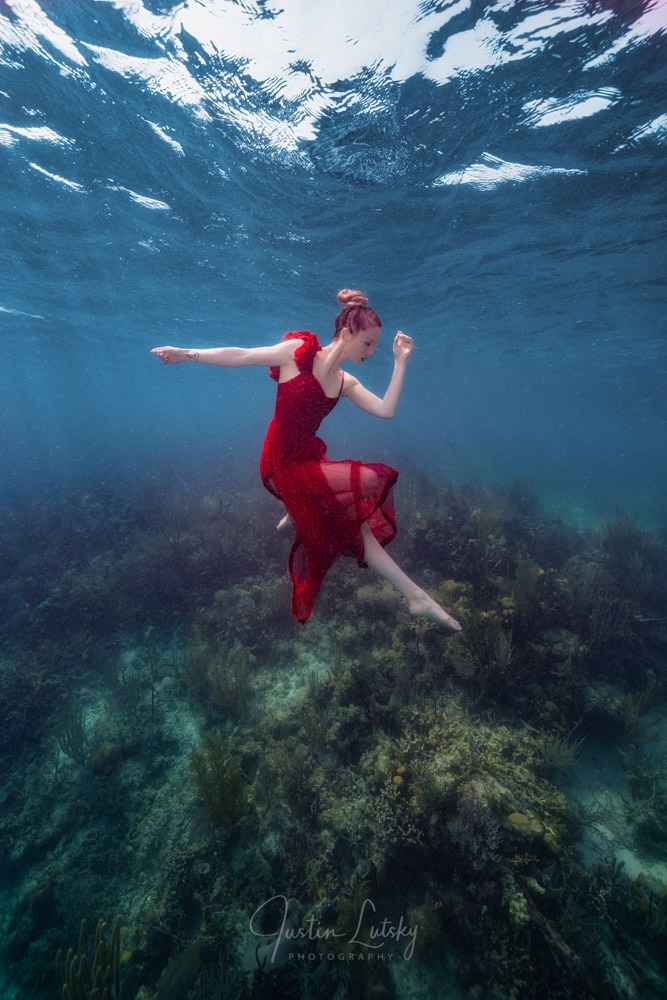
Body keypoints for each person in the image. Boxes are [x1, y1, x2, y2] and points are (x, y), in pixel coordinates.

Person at [151, 289, 461, 631]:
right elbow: (241, 355)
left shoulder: (346, 382)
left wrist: (401, 361)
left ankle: (416, 597)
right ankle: (299, 508)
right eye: (369, 344)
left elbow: (386, 410)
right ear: (346, 334)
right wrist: (185, 353)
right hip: (281, 461)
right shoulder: (297, 353)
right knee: (370, 482)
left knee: (354, 524)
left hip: (307, 459)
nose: (372, 352)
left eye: (375, 346)